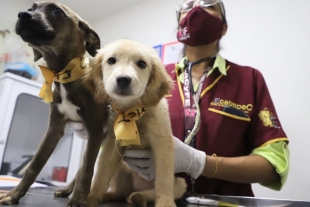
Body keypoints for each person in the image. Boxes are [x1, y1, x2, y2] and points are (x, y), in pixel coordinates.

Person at [70, 0, 289, 197]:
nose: (195, 9)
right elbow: (116, 142)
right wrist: (95, 130)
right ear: (179, 27)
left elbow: (272, 166)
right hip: (149, 198)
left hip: (226, 201)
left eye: (208, 4)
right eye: (187, 5)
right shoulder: (148, 77)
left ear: (224, 27)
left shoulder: (249, 79)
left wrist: (202, 163)